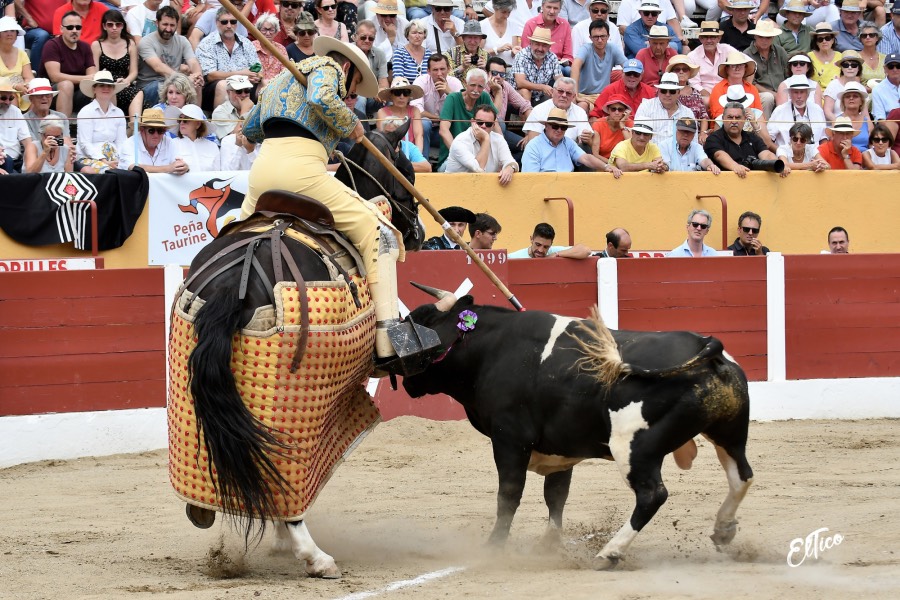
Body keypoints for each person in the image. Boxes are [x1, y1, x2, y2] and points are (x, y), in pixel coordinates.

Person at [239, 36, 425, 367]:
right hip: (301, 173)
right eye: (353, 86)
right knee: (379, 231)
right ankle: (389, 341)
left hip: (261, 175)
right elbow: (321, 97)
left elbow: (251, 129)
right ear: (347, 66)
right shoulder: (327, 66)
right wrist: (350, 124)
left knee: (234, 233)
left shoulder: (280, 78)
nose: (350, 95)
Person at [136, 7, 203, 110]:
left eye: (172, 25)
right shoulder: (146, 42)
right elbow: (158, 67)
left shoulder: (182, 41)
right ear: (157, 23)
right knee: (161, 86)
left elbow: (193, 62)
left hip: (174, 83)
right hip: (150, 85)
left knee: (197, 84)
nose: (168, 29)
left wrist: (198, 76)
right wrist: (183, 80)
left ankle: (195, 115)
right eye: (165, 24)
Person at [196, 7, 260, 113]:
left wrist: (257, 76)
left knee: (265, 84)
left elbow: (258, 68)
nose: (229, 26)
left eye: (233, 22)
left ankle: (265, 121)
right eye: (224, 22)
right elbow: (211, 75)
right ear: (217, 23)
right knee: (223, 85)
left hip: (245, 85)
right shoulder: (206, 43)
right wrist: (241, 74)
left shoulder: (246, 43)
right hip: (214, 89)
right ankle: (222, 121)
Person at [704, 101, 789, 177]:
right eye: (730, 117)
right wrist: (735, 166)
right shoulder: (714, 138)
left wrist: (778, 164)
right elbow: (719, 155)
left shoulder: (752, 137)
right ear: (723, 118)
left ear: (744, 119)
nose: (734, 121)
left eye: (738, 118)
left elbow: (766, 154)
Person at [437, 67, 500, 167]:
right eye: (472, 85)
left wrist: (500, 152)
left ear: (484, 87)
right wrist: (460, 155)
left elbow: (495, 125)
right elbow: (443, 130)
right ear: (465, 84)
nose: (476, 90)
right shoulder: (452, 98)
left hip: (478, 158)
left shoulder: (484, 97)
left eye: (480, 86)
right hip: (453, 159)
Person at [38, 11, 97, 117]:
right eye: (70, 27)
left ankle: (109, 124)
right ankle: (63, 126)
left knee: (105, 87)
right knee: (67, 85)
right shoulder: (52, 45)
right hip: (51, 94)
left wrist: (91, 79)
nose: (74, 30)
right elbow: (55, 77)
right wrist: (85, 78)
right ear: (61, 29)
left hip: (79, 93)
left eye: (78, 27)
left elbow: (92, 76)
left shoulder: (85, 47)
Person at [521, 106, 612, 173]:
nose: (559, 130)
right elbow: (531, 177)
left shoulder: (568, 142)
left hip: (568, 185)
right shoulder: (533, 146)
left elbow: (586, 158)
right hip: (544, 187)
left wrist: (606, 167)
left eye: (563, 127)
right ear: (546, 126)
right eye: (555, 126)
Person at [444, 103, 518, 184]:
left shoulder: (498, 139)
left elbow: (510, 161)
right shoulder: (460, 141)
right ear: (472, 122)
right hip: (456, 187)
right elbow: (478, 169)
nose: (483, 126)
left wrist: (510, 168)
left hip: (482, 187)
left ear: (493, 126)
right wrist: (486, 139)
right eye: (479, 122)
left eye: (488, 124)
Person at [92, 9, 142, 123]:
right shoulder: (97, 45)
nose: (114, 28)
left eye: (118, 24)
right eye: (110, 25)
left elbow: (134, 72)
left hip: (124, 83)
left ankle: (134, 127)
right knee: (111, 91)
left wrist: (126, 81)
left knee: (138, 93)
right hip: (105, 83)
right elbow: (95, 73)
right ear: (104, 26)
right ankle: (112, 125)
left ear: (122, 26)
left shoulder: (130, 43)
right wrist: (108, 82)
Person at [75, 70, 127, 173]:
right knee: (107, 171)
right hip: (89, 158)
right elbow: (85, 143)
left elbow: (121, 141)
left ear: (113, 89)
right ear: (94, 89)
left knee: (132, 169)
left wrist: (120, 159)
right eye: (101, 85)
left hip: (115, 158)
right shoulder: (86, 111)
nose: (106, 88)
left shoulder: (119, 112)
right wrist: (104, 161)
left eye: (109, 86)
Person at [410, 53, 462, 152]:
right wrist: (441, 119)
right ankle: (422, 159)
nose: (439, 73)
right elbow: (416, 111)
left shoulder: (455, 83)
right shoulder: (421, 81)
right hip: (427, 130)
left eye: (442, 69)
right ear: (428, 71)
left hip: (448, 129)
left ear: (449, 69)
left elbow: (463, 109)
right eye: (435, 70)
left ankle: (453, 158)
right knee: (424, 123)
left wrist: (450, 93)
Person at [571, 21, 625, 112]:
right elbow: (575, 66)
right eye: (596, 37)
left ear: (608, 36)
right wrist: (575, 94)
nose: (600, 40)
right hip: (585, 96)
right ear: (590, 38)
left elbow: (627, 66)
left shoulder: (612, 48)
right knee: (581, 107)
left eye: (603, 36)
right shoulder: (586, 49)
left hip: (605, 96)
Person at [522, 77, 591, 147]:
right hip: (544, 150)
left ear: (573, 96)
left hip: (570, 151)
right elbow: (533, 141)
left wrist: (586, 138)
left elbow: (585, 137)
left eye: (568, 93)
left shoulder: (580, 112)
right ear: (552, 92)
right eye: (560, 91)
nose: (564, 95)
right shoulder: (538, 110)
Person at [120, 107, 188, 174]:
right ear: (142, 130)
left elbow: (178, 164)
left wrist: (183, 167)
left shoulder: (169, 142)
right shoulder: (129, 144)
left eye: (160, 131)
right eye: (151, 131)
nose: (156, 135)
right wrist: (169, 168)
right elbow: (134, 167)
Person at [634, 72, 694, 146]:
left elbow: (693, 142)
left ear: (678, 92)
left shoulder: (688, 113)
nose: (667, 94)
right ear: (658, 91)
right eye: (664, 91)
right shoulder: (646, 107)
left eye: (672, 91)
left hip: (677, 152)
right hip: (649, 152)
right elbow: (636, 136)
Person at [767, 75, 827, 148]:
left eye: (802, 92)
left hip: (815, 153)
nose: (799, 96)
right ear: (790, 94)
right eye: (795, 92)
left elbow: (823, 138)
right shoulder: (780, 111)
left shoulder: (817, 110)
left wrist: (820, 153)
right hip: (787, 153)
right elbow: (769, 140)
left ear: (808, 94)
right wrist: (780, 152)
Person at [745, 19, 787, 118]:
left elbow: (788, 74)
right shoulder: (747, 54)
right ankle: (764, 127)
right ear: (755, 36)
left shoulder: (780, 51)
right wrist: (773, 94)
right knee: (768, 98)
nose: (764, 40)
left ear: (773, 37)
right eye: (761, 37)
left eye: (768, 37)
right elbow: (750, 83)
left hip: (782, 91)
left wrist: (783, 93)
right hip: (760, 94)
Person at [510, 26, 561, 105]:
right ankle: (528, 113)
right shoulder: (522, 55)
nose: (540, 49)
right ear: (531, 43)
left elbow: (560, 79)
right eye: (537, 44)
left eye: (544, 45)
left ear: (549, 47)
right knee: (525, 91)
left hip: (540, 96)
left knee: (559, 94)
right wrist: (542, 87)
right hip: (516, 95)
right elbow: (520, 82)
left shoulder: (552, 57)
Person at [686, 20, 737, 101]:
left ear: (719, 38)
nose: (709, 40)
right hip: (705, 96)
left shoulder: (727, 50)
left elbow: (748, 62)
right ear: (700, 39)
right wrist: (713, 99)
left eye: (712, 37)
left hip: (728, 92)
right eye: (705, 37)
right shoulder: (692, 56)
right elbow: (695, 84)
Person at [708, 51, 764, 122]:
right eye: (733, 66)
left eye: (741, 65)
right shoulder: (718, 89)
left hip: (750, 125)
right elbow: (718, 115)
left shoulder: (752, 88)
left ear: (745, 68)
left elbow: (759, 114)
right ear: (727, 69)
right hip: (725, 125)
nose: (737, 68)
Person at [589, 58, 655, 117]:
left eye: (636, 74)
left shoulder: (650, 91)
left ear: (642, 75)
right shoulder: (610, 90)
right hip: (616, 126)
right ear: (622, 73)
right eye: (628, 73)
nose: (632, 76)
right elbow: (595, 115)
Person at [166, 102, 221, 171]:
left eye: (186, 120)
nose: (182, 123)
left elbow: (217, 173)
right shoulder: (171, 144)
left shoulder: (212, 146)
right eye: (180, 120)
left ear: (198, 124)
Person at [520, 0, 573, 72]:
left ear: (560, 10)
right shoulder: (531, 24)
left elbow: (568, 54)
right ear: (542, 6)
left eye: (555, 8)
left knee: (569, 70)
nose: (552, 11)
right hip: (536, 64)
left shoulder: (565, 24)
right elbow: (525, 52)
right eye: (549, 7)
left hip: (559, 64)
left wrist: (566, 60)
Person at [376, 75, 425, 152]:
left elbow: (418, 136)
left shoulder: (415, 110)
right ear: (391, 95)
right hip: (391, 152)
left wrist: (418, 155)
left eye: (406, 93)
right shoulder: (382, 112)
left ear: (409, 96)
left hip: (412, 151)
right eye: (397, 93)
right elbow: (384, 138)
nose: (402, 97)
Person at [667, 56, 710, 142]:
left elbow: (703, 117)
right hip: (671, 133)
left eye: (685, 69)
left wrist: (703, 133)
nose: (681, 72)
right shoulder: (666, 92)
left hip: (694, 134)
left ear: (689, 72)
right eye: (677, 69)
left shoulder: (696, 93)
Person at [21, 77, 72, 146]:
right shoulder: (24, 119)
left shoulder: (61, 117)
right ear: (31, 99)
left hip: (59, 152)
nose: (44, 98)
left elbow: (67, 143)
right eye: (39, 95)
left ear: (52, 97)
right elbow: (33, 145)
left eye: (47, 95)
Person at [0, 77, 36, 173]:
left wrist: (30, 164)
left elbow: (27, 141)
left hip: (17, 162)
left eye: (11, 98)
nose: (8, 102)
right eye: (3, 98)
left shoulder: (15, 111)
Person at [508, 222, 592, 258]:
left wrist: (557, 254)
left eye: (546, 247)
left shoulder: (553, 251)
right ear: (531, 239)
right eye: (538, 244)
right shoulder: (513, 257)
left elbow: (586, 251)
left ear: (551, 244)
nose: (541, 250)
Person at [823, 50, 864, 122]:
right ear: (841, 68)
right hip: (837, 124)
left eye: (854, 65)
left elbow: (865, 114)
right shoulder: (833, 85)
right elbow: (827, 112)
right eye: (846, 65)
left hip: (858, 124)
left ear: (858, 68)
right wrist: (840, 123)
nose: (850, 68)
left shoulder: (861, 88)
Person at [252, 12, 289, 91]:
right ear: (258, 31)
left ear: (276, 32)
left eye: (271, 30)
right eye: (264, 30)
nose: (268, 33)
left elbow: (285, 72)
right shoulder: (251, 47)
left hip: (277, 87)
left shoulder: (281, 49)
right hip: (255, 87)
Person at [0, 17, 32, 106]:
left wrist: (25, 86)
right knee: (10, 96)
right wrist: (14, 86)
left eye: (12, 31)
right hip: (3, 94)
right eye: (5, 31)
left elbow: (29, 77)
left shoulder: (22, 54)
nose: (9, 34)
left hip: (21, 91)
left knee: (35, 97)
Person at [590, 94, 632, 164]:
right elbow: (595, 154)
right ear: (608, 110)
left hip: (625, 163)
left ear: (625, 111)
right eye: (613, 109)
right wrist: (613, 165)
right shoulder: (598, 124)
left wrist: (622, 124)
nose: (617, 112)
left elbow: (632, 148)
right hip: (603, 163)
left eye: (620, 109)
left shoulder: (630, 123)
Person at [211, 74, 253, 142]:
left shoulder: (255, 109)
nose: (243, 95)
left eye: (247, 90)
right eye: (238, 91)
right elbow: (232, 140)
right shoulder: (219, 112)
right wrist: (244, 111)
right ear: (228, 92)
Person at [835, 80, 873, 153]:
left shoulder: (867, 121)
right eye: (847, 96)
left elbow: (872, 145)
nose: (851, 98)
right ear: (843, 101)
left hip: (865, 157)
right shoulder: (837, 120)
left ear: (861, 101)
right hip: (844, 156)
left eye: (855, 96)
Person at [482, 0, 520, 67]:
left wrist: (515, 52)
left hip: (509, 68)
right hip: (488, 68)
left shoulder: (514, 25)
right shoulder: (483, 25)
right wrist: (498, 50)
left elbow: (513, 53)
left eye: (509, 12)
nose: (506, 16)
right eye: (503, 12)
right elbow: (478, 53)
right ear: (495, 8)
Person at [808, 22, 843, 89]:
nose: (824, 41)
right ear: (816, 42)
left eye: (828, 38)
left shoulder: (840, 56)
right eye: (820, 39)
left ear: (832, 40)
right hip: (815, 92)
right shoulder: (809, 57)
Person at [871, 52, 900, 121]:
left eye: (898, 66)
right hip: (890, 125)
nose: (895, 69)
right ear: (885, 69)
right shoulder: (877, 90)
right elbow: (880, 119)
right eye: (891, 66)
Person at [858, 21, 886, 86]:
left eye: (871, 35)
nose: (868, 37)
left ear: (877, 38)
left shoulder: (885, 58)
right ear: (861, 39)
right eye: (864, 35)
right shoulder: (856, 58)